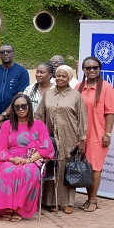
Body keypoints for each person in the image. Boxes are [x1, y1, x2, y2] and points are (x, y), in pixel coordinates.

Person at [0, 94, 55, 221]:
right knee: (8, 171)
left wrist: (29, 160)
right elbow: (1, 148)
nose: (21, 109)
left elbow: (46, 147)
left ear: (29, 107)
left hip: (33, 160)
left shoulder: (39, 125)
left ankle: (19, 209)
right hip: (10, 160)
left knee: (27, 171)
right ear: (13, 109)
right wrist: (12, 159)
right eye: (17, 107)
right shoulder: (7, 125)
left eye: (24, 106)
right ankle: (9, 208)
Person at [35, 65, 87, 214]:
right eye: (58, 76)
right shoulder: (49, 94)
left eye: (64, 76)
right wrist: (38, 134)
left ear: (69, 78)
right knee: (52, 167)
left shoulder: (76, 96)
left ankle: (68, 202)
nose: (60, 79)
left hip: (69, 137)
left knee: (67, 169)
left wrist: (81, 139)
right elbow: (39, 115)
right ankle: (51, 201)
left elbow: (82, 118)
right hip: (50, 138)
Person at [76, 57, 114, 212]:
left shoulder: (106, 87)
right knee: (85, 167)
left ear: (100, 69)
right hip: (82, 135)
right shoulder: (79, 87)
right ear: (84, 70)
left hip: (98, 135)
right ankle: (88, 198)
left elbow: (110, 112)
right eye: (88, 68)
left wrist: (108, 134)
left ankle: (93, 200)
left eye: (95, 67)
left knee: (95, 168)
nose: (92, 70)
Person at [0, 44, 30, 141]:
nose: (5, 54)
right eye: (2, 52)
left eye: (8, 51)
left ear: (13, 53)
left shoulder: (21, 72)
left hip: (14, 118)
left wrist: (3, 115)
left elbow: (19, 97)